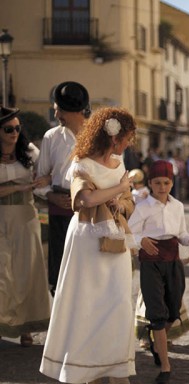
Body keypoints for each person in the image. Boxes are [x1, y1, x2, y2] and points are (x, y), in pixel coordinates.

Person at [39, 107, 139, 384]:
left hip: (115, 237)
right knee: (90, 303)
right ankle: (90, 373)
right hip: (87, 238)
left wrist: (122, 204)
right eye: (128, 137)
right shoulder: (81, 163)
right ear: (114, 136)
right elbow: (84, 199)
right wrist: (119, 188)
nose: (128, 143)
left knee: (119, 303)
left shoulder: (119, 163)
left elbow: (128, 201)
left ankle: (120, 374)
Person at [127, 160, 189, 384]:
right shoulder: (142, 207)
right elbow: (129, 233)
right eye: (157, 183)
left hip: (172, 261)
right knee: (157, 314)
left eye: (166, 182)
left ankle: (155, 340)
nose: (162, 186)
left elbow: (181, 234)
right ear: (150, 183)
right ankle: (165, 366)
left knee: (172, 312)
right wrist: (142, 241)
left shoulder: (177, 206)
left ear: (172, 183)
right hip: (151, 263)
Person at [0, 107, 50, 346]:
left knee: (25, 271)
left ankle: (26, 328)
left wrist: (43, 182)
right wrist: (19, 187)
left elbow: (46, 176)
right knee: (2, 272)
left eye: (18, 128)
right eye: (9, 129)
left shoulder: (30, 152)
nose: (14, 133)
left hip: (26, 217)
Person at [35, 81, 91, 295]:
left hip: (91, 210)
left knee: (88, 268)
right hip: (60, 209)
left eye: (57, 108)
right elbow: (40, 179)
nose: (55, 112)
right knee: (60, 272)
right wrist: (51, 196)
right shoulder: (52, 137)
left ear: (70, 111)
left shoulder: (98, 136)